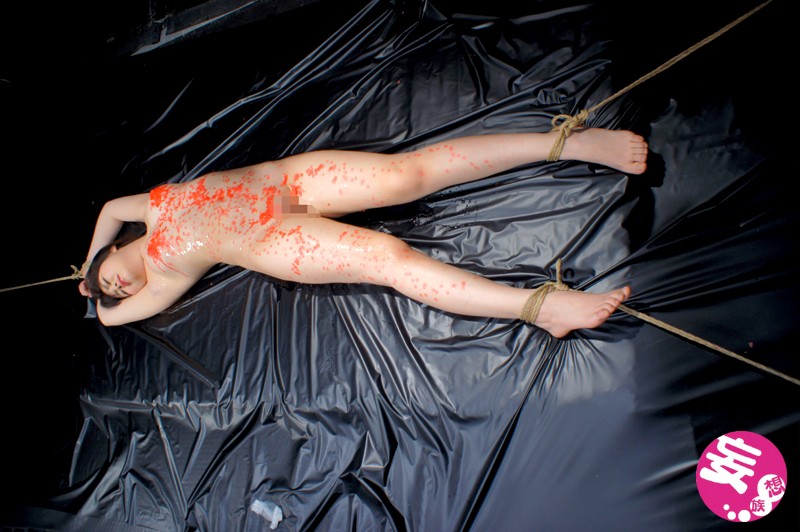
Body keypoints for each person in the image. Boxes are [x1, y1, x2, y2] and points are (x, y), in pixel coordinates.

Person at [79, 128, 647, 337]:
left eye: (109, 277)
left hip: (285, 189)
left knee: (408, 175)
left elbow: (107, 208)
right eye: (114, 291)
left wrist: (88, 264)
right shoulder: (162, 278)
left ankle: (567, 143)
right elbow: (107, 317)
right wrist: (94, 292)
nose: (117, 287)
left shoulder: (148, 208)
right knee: (388, 258)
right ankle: (538, 309)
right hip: (271, 242)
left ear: (112, 250)